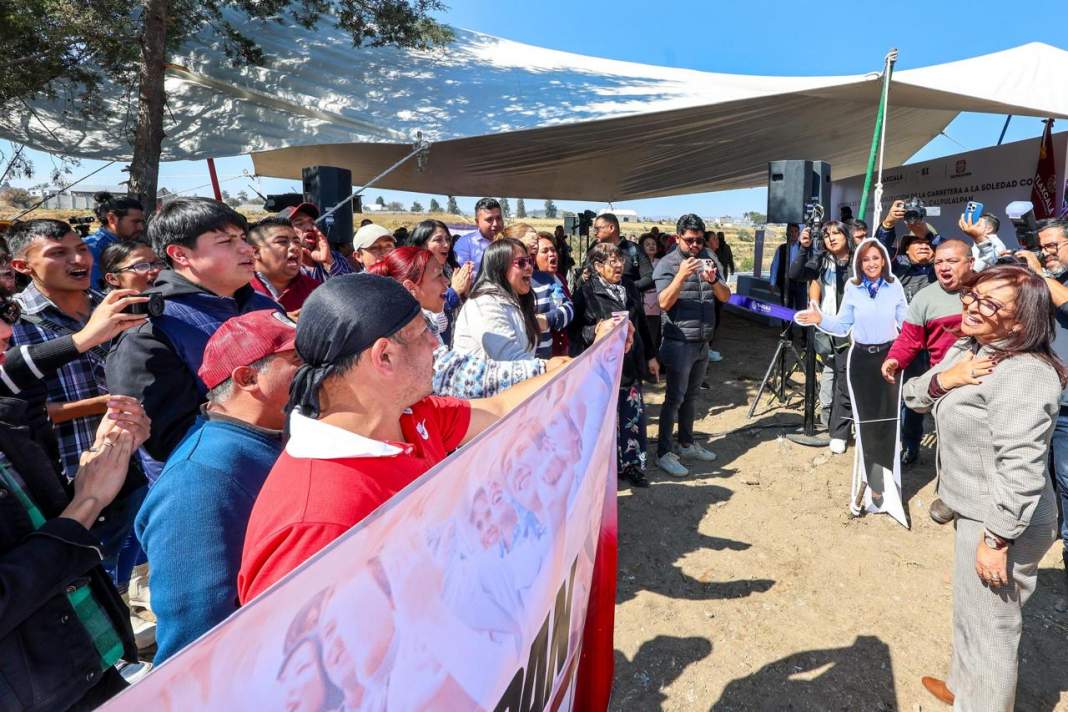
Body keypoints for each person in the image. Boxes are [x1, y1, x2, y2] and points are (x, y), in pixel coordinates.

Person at [237, 273, 561, 603]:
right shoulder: (316, 522)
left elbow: (501, 407)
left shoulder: (415, 416)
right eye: (424, 332)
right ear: (384, 356)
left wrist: (585, 363)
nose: (436, 343)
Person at [901, 265, 1064, 711]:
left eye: (990, 304)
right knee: (970, 610)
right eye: (973, 297)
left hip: (1003, 519)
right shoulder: (970, 348)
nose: (971, 307)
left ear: (1020, 321)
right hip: (974, 509)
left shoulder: (1024, 373)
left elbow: (1023, 469)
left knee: (993, 626)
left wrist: (997, 539)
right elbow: (914, 395)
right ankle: (963, 688)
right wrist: (946, 379)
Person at [0, 280, 150, 710]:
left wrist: (108, 459)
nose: (6, 338)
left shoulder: (8, 424)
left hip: (91, 663)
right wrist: (87, 504)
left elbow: (47, 530)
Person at [136, 310, 300, 663]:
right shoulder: (197, 481)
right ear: (248, 377)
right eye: (299, 360)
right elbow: (196, 637)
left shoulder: (279, 435)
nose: (319, 372)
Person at [106, 197, 280, 463]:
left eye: (243, 238)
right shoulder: (149, 327)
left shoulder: (264, 304)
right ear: (180, 254)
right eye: (226, 241)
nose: (247, 249)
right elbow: (168, 439)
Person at [796, 239, 908, 523]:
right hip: (860, 360)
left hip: (889, 359)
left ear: (883, 260)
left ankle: (889, 486)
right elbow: (843, 325)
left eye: (876, 258)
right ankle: (875, 490)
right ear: (859, 263)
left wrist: (904, 353)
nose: (871, 263)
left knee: (888, 424)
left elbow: (906, 324)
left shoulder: (894, 287)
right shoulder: (853, 289)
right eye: (866, 259)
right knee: (867, 426)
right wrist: (820, 319)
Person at [367, 247, 562, 399]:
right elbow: (466, 374)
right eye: (439, 276)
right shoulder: (484, 303)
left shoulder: (421, 326)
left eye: (529, 260)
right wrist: (546, 369)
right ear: (411, 289)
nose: (447, 282)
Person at [570, 243, 658, 488]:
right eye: (612, 261)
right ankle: (604, 471)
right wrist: (595, 330)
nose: (619, 265)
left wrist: (651, 356)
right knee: (604, 421)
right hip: (601, 370)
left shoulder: (629, 287)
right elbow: (575, 332)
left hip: (630, 366)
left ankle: (633, 466)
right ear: (598, 266)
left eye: (620, 259)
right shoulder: (586, 292)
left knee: (633, 418)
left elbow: (640, 325)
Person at [1014, 218, 1068, 608]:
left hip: (1067, 408)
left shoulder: (1055, 282)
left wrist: (1036, 270)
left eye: (1054, 246)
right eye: (1043, 247)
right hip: (1039, 396)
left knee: (1066, 481)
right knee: (1035, 474)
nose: (1047, 253)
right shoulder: (1046, 277)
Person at [882, 240, 975, 468]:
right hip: (946, 383)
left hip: (985, 379)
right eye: (939, 262)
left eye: (952, 261)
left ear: (970, 262)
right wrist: (895, 359)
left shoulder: (989, 288)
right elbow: (909, 339)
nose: (944, 267)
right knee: (952, 447)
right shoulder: (925, 298)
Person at [652, 213, 730, 477]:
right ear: (678, 238)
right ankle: (664, 452)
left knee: (692, 397)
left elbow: (725, 296)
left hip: (702, 342)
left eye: (699, 240)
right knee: (674, 399)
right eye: (690, 241)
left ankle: (686, 443)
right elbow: (663, 302)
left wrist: (713, 280)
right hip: (678, 343)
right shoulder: (667, 264)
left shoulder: (709, 258)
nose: (696, 245)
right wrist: (682, 276)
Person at [789, 221, 853, 437]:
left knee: (847, 373)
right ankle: (827, 417)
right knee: (829, 369)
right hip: (826, 325)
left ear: (847, 235)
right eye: (827, 235)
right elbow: (796, 274)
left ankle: (844, 421)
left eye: (837, 233)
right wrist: (804, 248)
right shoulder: (822, 260)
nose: (831, 238)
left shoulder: (858, 260)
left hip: (850, 329)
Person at [453, 238, 540, 362]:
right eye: (521, 263)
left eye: (530, 261)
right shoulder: (484, 304)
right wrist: (551, 368)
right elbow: (510, 358)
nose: (529, 267)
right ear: (500, 268)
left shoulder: (516, 300)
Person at [504, 224, 573, 359]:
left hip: (544, 361)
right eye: (521, 261)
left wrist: (547, 319)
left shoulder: (545, 280)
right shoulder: (499, 285)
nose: (552, 254)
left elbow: (568, 308)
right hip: (512, 364)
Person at [410, 219, 472, 342]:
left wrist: (467, 291)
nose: (446, 245)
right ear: (421, 245)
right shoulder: (413, 273)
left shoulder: (451, 268)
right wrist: (454, 292)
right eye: (438, 240)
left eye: (448, 239)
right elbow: (428, 310)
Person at [247, 216, 322, 313]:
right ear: (255, 252)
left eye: (297, 242)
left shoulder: (316, 292)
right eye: (282, 241)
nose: (294, 247)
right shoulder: (236, 291)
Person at [278, 202, 355, 281]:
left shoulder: (336, 258)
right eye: (299, 223)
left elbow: (353, 290)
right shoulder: (282, 267)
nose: (310, 227)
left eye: (312, 223)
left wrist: (328, 263)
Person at [85, 192, 146, 289]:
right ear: (112, 218)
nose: (141, 227)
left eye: (142, 222)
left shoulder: (132, 244)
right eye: (135, 222)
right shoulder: (91, 249)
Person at [533, 231, 573, 356]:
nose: (552, 254)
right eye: (545, 251)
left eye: (553, 250)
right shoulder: (529, 285)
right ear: (533, 257)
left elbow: (568, 307)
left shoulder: (559, 279)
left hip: (563, 351)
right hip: (545, 354)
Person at [590, 213, 653, 291]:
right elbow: (585, 274)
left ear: (611, 228)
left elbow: (649, 277)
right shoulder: (594, 248)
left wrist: (627, 288)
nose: (595, 233)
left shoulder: (633, 249)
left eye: (597, 229)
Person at [453, 197, 504, 277]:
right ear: (477, 222)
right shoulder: (465, 244)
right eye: (489, 219)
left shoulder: (509, 241)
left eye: (498, 218)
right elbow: (463, 279)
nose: (495, 224)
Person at [875, 199, 940, 257]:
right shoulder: (898, 263)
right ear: (907, 248)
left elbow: (947, 247)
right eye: (918, 242)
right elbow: (879, 250)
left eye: (927, 243)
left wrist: (925, 232)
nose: (923, 246)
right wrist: (888, 223)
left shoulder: (942, 264)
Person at [100, 240, 165, 293]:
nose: (156, 270)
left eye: (158, 263)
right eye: (141, 266)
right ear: (113, 279)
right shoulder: (105, 309)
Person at [770, 224, 807, 309]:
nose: (793, 234)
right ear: (787, 233)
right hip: (786, 283)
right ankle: (786, 323)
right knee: (786, 309)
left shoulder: (804, 247)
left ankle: (798, 323)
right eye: (791, 231)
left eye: (795, 231)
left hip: (801, 284)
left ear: (799, 233)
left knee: (801, 309)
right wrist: (772, 283)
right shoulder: (781, 248)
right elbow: (775, 266)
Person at [639, 233, 663, 353]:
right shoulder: (636, 263)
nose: (651, 246)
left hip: (656, 306)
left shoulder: (662, 263)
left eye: (653, 244)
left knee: (653, 338)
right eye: (647, 244)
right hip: (640, 306)